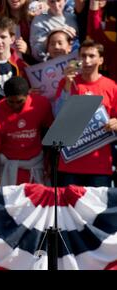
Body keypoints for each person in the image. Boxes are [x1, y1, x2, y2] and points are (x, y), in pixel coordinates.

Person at [54, 39, 117, 187]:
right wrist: (68, 85)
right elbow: (58, 116)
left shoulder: (112, 86)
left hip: (99, 165)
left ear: (101, 60)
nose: (87, 60)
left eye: (91, 56)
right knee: (68, 209)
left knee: (99, 210)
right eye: (83, 56)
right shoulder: (66, 83)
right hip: (70, 163)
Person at [0, 76, 54, 186]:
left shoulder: (41, 104)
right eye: (10, 102)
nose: (15, 105)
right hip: (9, 168)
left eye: (20, 101)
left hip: (36, 166)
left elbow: (51, 134)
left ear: (28, 95)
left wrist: (50, 163)